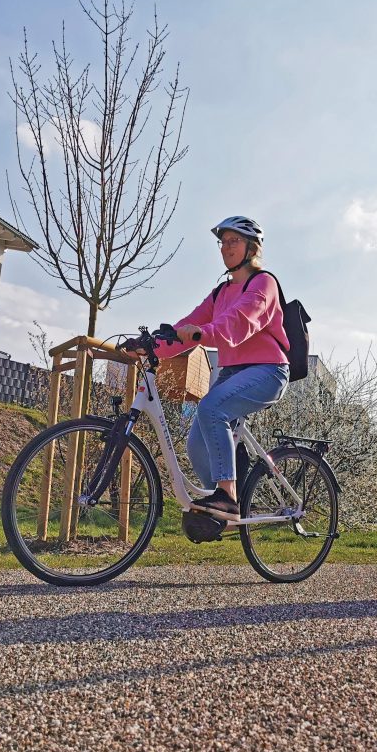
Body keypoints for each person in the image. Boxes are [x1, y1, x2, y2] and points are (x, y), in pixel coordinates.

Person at [132, 215, 290, 527]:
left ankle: (227, 497)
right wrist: (152, 346)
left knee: (211, 408)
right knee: (196, 443)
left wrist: (202, 334)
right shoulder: (220, 293)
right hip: (232, 372)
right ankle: (222, 506)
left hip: (269, 370)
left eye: (234, 241)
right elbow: (185, 328)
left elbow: (242, 321)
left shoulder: (263, 283)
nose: (226, 247)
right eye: (223, 242)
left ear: (251, 247)